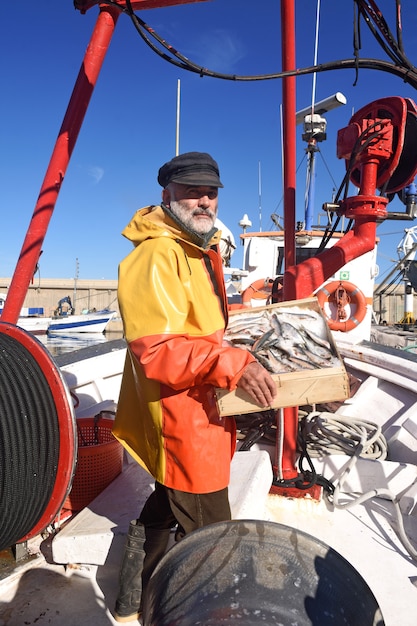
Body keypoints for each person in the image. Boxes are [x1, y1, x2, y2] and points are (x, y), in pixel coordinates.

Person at [112, 151, 277, 623]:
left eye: (211, 191)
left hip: (202, 405)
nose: (203, 200)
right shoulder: (155, 255)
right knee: (213, 539)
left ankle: (133, 600)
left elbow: (198, 328)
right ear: (167, 194)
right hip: (181, 418)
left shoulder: (197, 249)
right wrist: (232, 362)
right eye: (191, 190)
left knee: (166, 500)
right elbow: (158, 350)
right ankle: (211, 612)